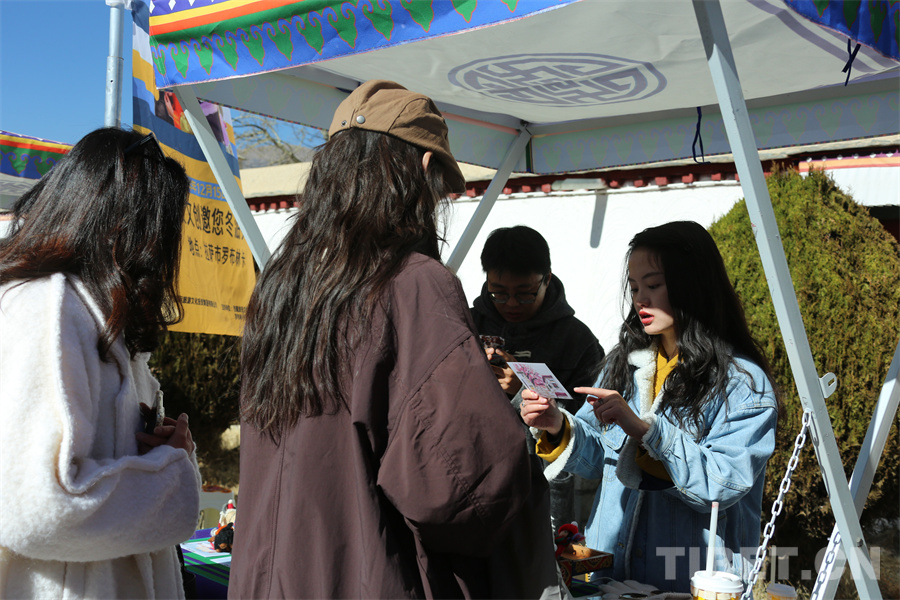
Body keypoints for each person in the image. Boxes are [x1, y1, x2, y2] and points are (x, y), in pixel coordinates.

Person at [230, 80, 560, 599]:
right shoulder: (413, 283)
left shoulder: (279, 286)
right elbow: (461, 486)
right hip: (370, 577)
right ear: (424, 169)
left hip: (270, 577)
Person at [520, 221, 780, 592]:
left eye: (654, 285)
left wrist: (647, 432)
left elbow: (724, 483)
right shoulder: (625, 364)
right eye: (635, 287)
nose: (641, 298)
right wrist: (556, 425)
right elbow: (598, 461)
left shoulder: (741, 383)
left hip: (691, 582)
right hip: (611, 578)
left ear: (693, 285)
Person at [0, 128, 202, 599]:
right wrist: (168, 478)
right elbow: (33, 506)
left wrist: (169, 451)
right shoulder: (48, 307)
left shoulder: (95, 312)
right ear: (121, 222)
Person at [471, 225, 604, 531]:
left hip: (543, 495)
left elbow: (589, 433)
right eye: (499, 293)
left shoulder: (577, 342)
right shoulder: (466, 324)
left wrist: (524, 390)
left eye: (524, 293)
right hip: (474, 482)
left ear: (547, 279)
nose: (511, 304)